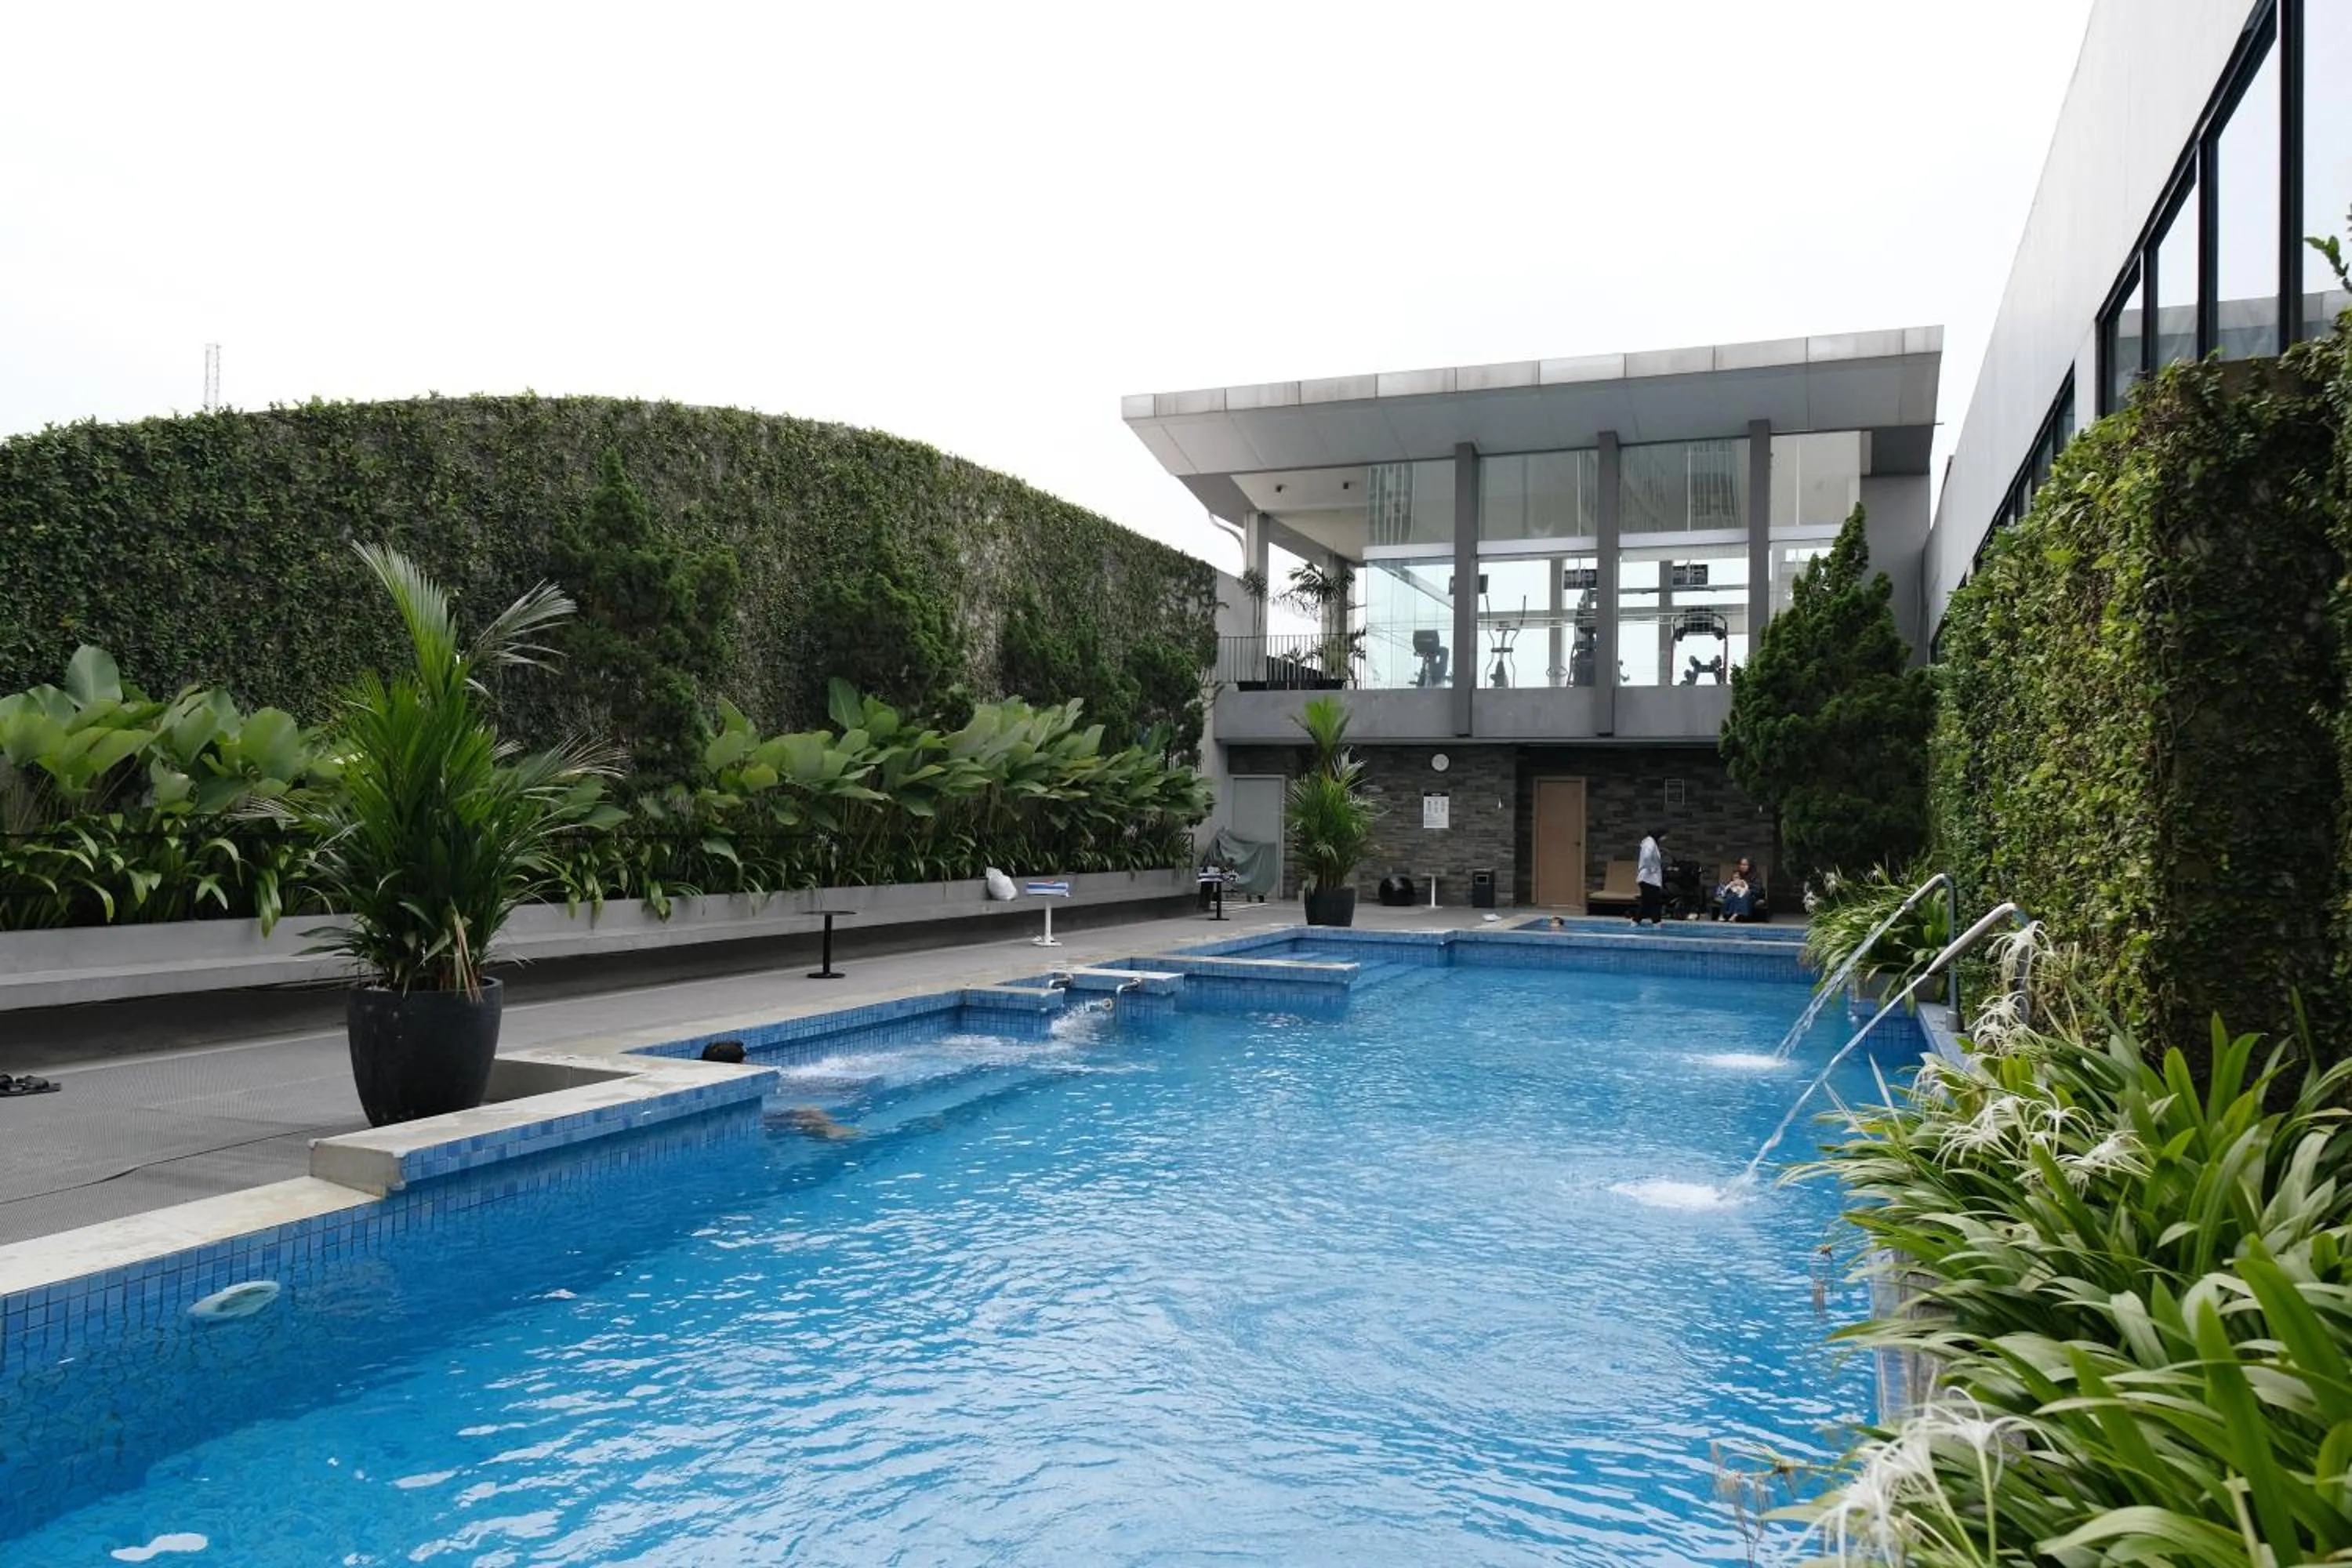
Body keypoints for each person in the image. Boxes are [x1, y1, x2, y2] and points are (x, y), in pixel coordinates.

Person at [1634, 828, 1668, 926]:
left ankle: (1636, 921)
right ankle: (1656, 923)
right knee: (1654, 902)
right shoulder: (1650, 843)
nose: (1664, 838)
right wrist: (1651, 869)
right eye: (1664, 836)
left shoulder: (1651, 842)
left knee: (1647, 902)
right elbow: (1646, 857)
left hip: (1649, 879)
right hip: (1648, 878)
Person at [1716, 858, 1760, 922]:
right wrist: (1733, 885)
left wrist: (1744, 885)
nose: (1743, 866)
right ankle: (1723, 915)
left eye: (1745, 865)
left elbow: (1757, 889)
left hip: (1751, 893)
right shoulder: (1737, 874)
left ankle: (1735, 915)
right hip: (1736, 892)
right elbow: (1731, 884)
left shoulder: (1756, 875)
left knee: (1744, 896)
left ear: (1749, 866)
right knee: (1731, 896)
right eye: (1741, 864)